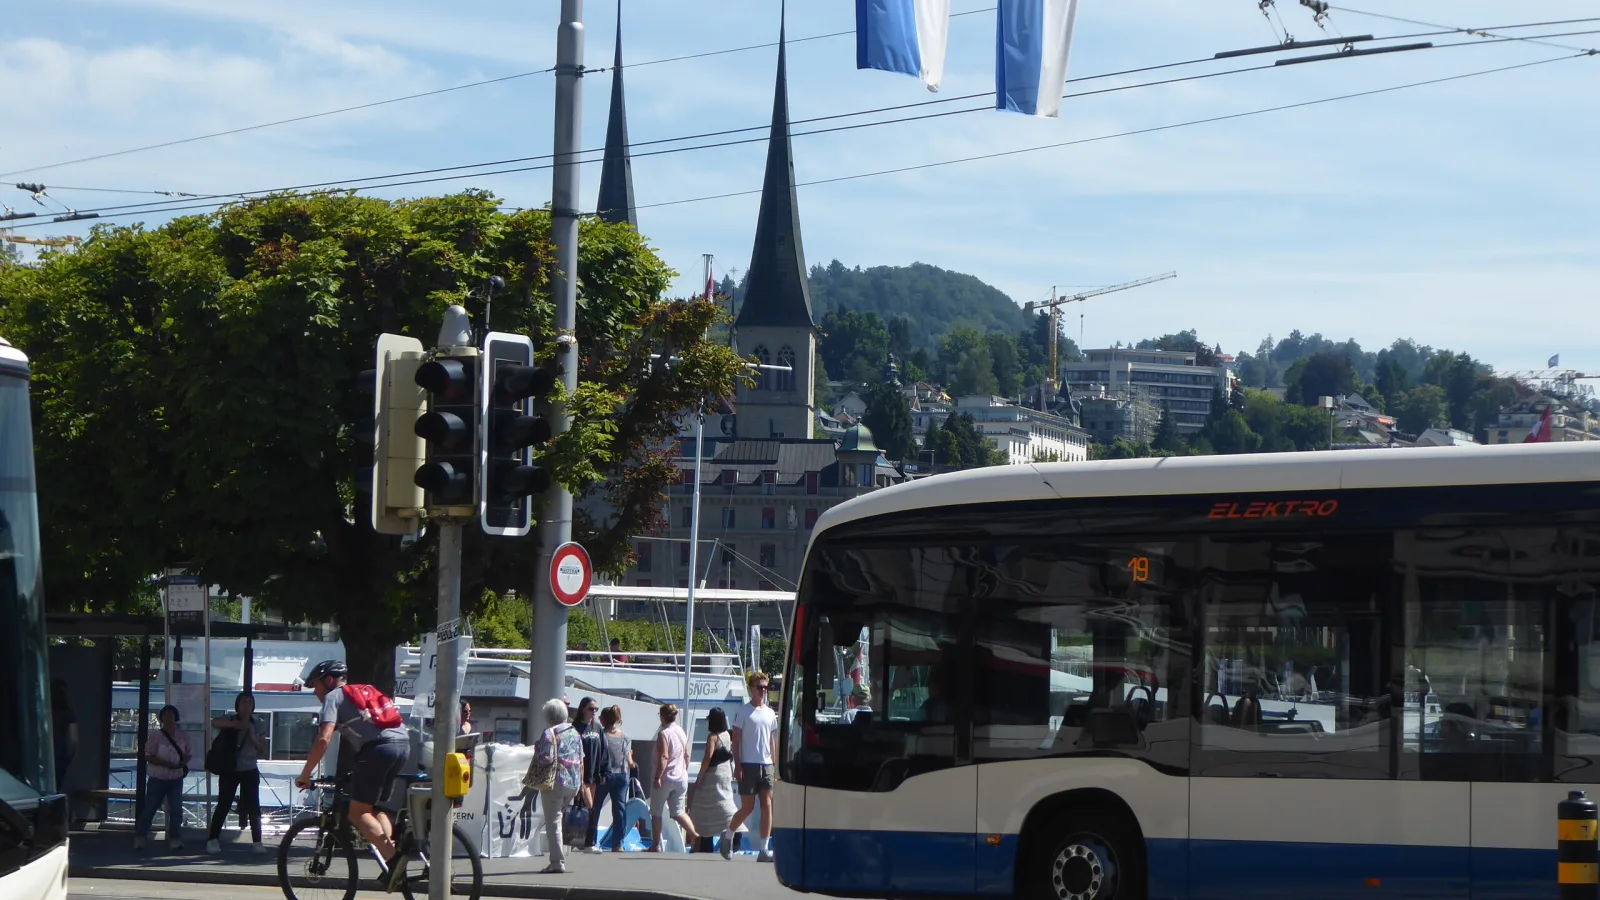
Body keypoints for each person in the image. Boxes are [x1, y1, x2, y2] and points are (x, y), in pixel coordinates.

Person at [295, 659, 410, 890]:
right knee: (374, 809)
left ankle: (395, 861)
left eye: (316, 686)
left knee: (357, 813)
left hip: (378, 750)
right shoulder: (365, 690)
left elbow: (324, 738)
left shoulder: (333, 697)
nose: (316, 693)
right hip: (403, 745)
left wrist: (305, 774)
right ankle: (392, 858)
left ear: (328, 681)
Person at [207, 692, 269, 854]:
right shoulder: (230, 718)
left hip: (250, 769)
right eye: (243, 701)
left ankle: (257, 842)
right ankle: (213, 840)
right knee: (224, 804)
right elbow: (214, 722)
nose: (247, 704)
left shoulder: (259, 723)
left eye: (250, 701)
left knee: (254, 806)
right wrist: (235, 725)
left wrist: (251, 733)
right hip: (230, 768)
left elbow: (262, 748)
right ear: (237, 705)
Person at [727, 670, 778, 862]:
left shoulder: (770, 713)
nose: (763, 691)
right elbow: (736, 740)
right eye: (760, 688)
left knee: (767, 805)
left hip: (766, 764)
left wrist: (774, 764)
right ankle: (729, 834)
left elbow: (772, 741)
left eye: (766, 687)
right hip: (748, 764)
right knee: (747, 808)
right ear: (751, 689)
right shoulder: (743, 712)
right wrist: (737, 764)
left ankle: (764, 849)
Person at [533, 698, 584, 874]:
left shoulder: (549, 733)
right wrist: (581, 783)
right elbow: (581, 759)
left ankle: (557, 862)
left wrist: (537, 748)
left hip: (555, 781)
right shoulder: (575, 733)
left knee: (553, 821)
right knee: (560, 819)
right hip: (573, 781)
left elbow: (546, 759)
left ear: (548, 716)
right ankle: (560, 856)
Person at [133, 705, 191, 851]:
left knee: (176, 809)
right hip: (157, 778)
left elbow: (188, 752)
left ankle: (175, 838)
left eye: (171, 714)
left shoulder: (183, 736)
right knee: (150, 807)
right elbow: (148, 756)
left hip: (175, 778)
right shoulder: (156, 736)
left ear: (176, 717)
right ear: (161, 718)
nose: (169, 717)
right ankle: (140, 836)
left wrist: (183, 761)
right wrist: (166, 764)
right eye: (166, 715)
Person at [688, 707, 737, 855]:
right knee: (724, 802)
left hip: (712, 775)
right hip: (725, 772)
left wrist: (700, 776)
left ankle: (705, 842)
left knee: (702, 808)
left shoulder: (713, 737)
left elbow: (708, 757)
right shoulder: (727, 735)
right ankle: (733, 830)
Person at [649, 704, 698, 851]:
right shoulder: (681, 732)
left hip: (666, 777)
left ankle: (656, 844)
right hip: (681, 777)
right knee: (678, 812)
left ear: (662, 717)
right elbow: (687, 754)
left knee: (656, 811)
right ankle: (694, 834)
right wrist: (684, 770)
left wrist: (658, 777)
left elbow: (664, 756)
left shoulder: (664, 733)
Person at [587, 705, 635, 852]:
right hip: (621, 775)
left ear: (603, 719)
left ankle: (591, 841)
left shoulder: (600, 735)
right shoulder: (624, 736)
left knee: (595, 808)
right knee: (619, 810)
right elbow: (628, 756)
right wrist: (632, 764)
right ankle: (618, 843)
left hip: (604, 776)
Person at [572, 697, 605, 851]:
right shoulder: (575, 727)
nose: (593, 712)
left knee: (588, 808)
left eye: (596, 709)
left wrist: (605, 770)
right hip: (581, 773)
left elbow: (604, 750)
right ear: (583, 709)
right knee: (589, 807)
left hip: (594, 773)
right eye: (591, 709)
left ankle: (582, 840)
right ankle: (589, 843)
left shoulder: (597, 727)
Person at [50, 678, 78, 790]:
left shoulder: (44, 711)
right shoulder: (68, 713)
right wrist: (70, 757)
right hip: (60, 756)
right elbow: (74, 739)